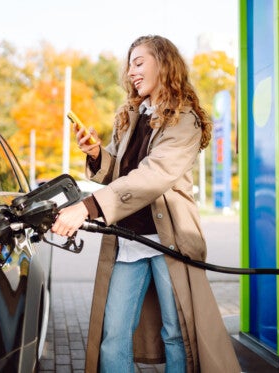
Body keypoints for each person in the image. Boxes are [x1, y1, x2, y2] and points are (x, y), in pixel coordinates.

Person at [51, 35, 241, 373]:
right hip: (129, 240)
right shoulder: (131, 115)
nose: (131, 71)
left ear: (164, 64)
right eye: (130, 64)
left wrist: (88, 207)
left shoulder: (185, 120)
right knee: (113, 335)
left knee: (176, 334)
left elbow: (153, 176)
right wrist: (97, 154)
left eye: (140, 62)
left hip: (170, 242)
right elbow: (122, 173)